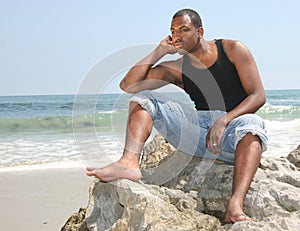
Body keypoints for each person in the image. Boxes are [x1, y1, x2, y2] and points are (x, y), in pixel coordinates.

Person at [86, 8, 267, 223]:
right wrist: (158, 52)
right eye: (173, 31)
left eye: (184, 29)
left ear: (200, 31)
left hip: (233, 133)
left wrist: (224, 120)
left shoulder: (233, 50)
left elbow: (258, 96)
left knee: (253, 123)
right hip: (200, 134)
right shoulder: (178, 68)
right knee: (143, 97)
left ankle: (235, 204)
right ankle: (129, 163)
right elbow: (128, 85)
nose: (177, 35)